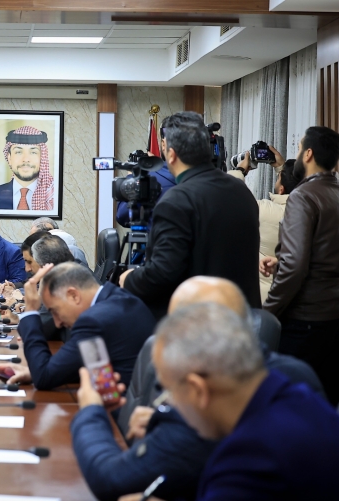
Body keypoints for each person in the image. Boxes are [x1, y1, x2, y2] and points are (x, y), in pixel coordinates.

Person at [71, 276, 324, 501]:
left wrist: (91, 409)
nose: (167, 401)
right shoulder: (297, 379)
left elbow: (110, 480)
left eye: (169, 390)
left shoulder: (242, 453)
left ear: (198, 390)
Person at [118, 303, 339, 500]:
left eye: (169, 393)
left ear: (198, 389)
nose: (168, 406)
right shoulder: (298, 394)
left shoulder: (246, 458)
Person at [120, 112, 260, 318]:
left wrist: (129, 279)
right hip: (244, 320)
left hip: (199, 324)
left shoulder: (176, 202)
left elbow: (162, 274)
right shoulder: (242, 191)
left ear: (170, 153)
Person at [261, 126, 339, 405]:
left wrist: (268, 312)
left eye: (299, 147)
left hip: (305, 321)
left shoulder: (303, 196)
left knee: (288, 407)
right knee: (324, 408)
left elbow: (295, 267)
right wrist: (281, 260)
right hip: (333, 318)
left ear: (308, 154)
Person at [0, 262, 154, 390]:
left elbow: (43, 378)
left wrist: (30, 312)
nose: (57, 323)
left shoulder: (94, 321)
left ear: (73, 295)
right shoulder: (120, 299)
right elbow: (97, 364)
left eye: (55, 311)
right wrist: (36, 372)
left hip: (117, 415)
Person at [226, 146, 302, 302]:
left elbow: (229, 196)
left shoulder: (264, 211)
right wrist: (282, 169)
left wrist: (240, 171)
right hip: (295, 297)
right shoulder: (311, 212)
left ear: (281, 189)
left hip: (262, 297)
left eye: (279, 178)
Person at [0, 127, 54, 211]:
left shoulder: (54, 195)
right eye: (18, 152)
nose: (26, 159)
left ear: (42, 158)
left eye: (33, 152)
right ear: (9, 158)